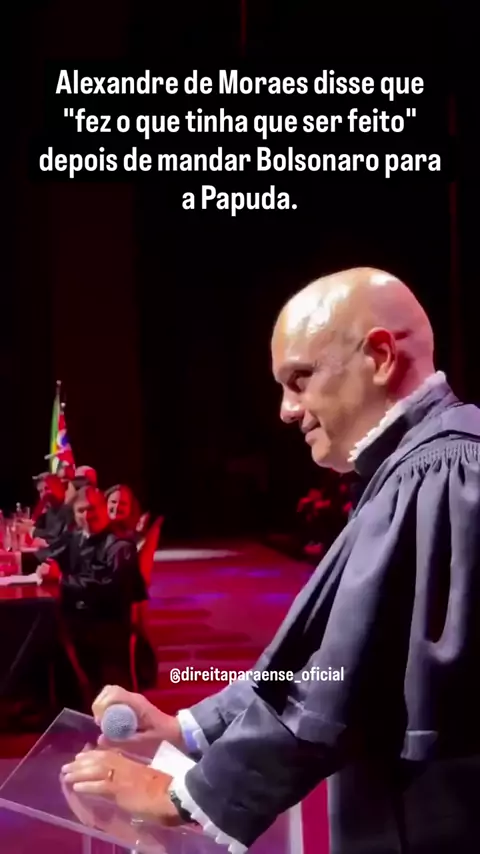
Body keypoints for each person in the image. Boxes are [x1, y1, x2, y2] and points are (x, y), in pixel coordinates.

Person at [61, 268, 480, 854]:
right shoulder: (410, 471)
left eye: (300, 379)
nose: (285, 410)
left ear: (380, 357)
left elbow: (336, 683)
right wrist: (188, 727)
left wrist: (188, 795)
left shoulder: (438, 473)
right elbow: (318, 660)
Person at [39, 485, 148, 700]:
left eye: (93, 509)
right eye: (81, 510)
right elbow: (47, 553)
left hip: (106, 622)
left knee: (45, 635)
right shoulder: (76, 537)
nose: (88, 515)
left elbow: (110, 588)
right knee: (38, 631)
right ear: (74, 514)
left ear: (103, 508)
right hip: (78, 614)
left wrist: (62, 579)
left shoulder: (120, 545)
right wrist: (45, 564)